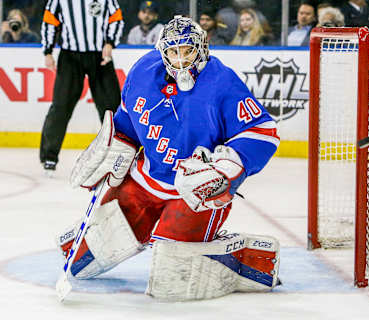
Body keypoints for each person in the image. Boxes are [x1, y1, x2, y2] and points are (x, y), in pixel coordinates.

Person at [57, 16, 280, 301]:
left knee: (170, 274)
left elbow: (263, 132)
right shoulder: (142, 71)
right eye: (173, 52)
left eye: (187, 50)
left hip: (195, 191)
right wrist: (114, 147)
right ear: (163, 51)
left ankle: (244, 259)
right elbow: (128, 121)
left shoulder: (221, 82)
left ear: (201, 48)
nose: (180, 59)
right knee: (83, 257)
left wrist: (226, 169)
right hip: (145, 180)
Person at [39, 0, 124, 174]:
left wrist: (110, 43)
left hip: (100, 55)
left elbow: (116, 19)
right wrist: (48, 51)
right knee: (61, 105)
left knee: (112, 107)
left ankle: (119, 153)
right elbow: (49, 21)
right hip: (70, 56)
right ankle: (49, 156)